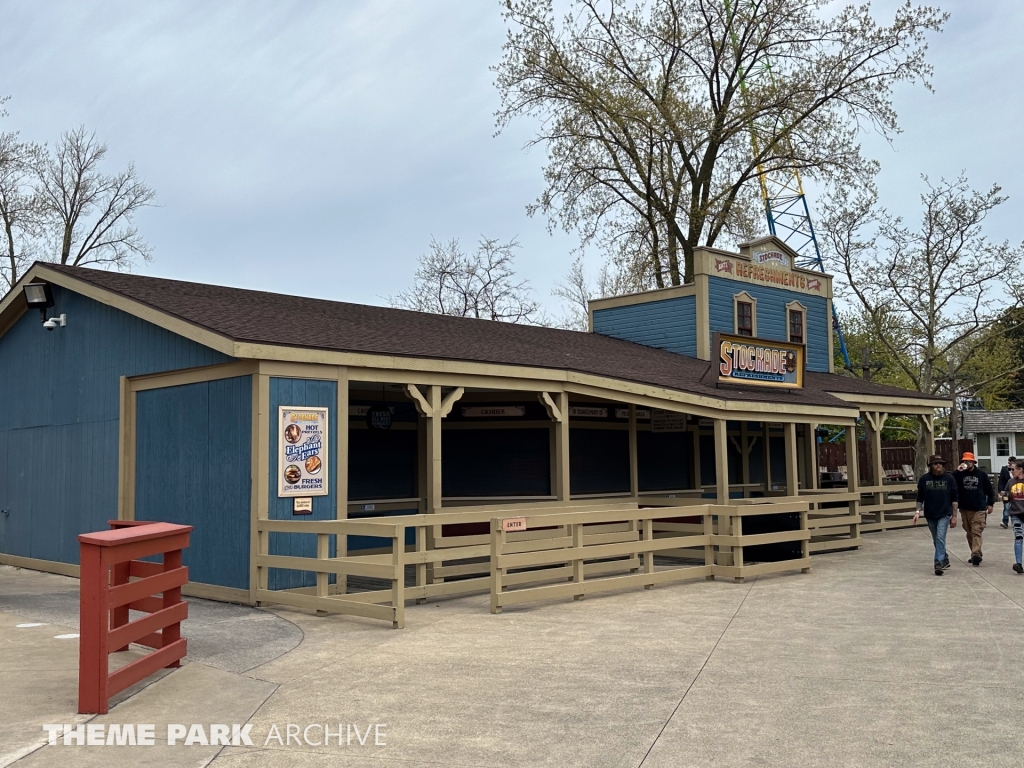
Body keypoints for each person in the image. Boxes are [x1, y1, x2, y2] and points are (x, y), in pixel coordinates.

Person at [914, 454, 959, 576]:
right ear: (931, 466)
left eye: (941, 463)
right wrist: (917, 512)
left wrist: (954, 516)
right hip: (930, 513)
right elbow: (920, 498)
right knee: (936, 539)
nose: (939, 465)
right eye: (936, 463)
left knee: (940, 537)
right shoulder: (924, 479)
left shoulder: (949, 479)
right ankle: (944, 557)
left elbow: (954, 499)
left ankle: (938, 563)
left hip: (944, 513)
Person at [952, 452, 995, 566]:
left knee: (977, 530)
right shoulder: (959, 474)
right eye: (965, 461)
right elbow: (950, 481)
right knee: (969, 531)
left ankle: (976, 553)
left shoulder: (981, 474)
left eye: (969, 461)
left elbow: (989, 490)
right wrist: (957, 471)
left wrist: (990, 503)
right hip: (964, 507)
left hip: (979, 508)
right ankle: (975, 553)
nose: (967, 463)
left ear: (973, 462)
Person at [1007, 460, 1024, 574]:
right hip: (1015, 513)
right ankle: (1018, 563)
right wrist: (1005, 496)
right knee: (1019, 537)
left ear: (1021, 469)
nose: (1011, 471)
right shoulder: (1010, 482)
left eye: (1013, 469)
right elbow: (1007, 495)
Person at [998, 456, 1017, 528]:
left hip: (1016, 491)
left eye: (1012, 463)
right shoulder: (1004, 469)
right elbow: (1001, 480)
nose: (1010, 464)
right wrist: (1000, 490)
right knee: (1006, 506)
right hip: (1006, 491)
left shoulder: (1018, 470)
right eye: (1009, 462)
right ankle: (1005, 521)